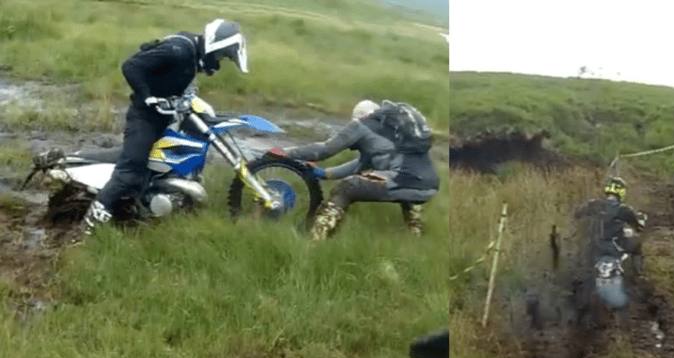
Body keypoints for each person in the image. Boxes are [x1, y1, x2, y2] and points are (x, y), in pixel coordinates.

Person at [78, 19, 248, 235]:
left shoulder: (193, 54)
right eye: (221, 56)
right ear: (214, 47)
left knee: (165, 162)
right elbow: (131, 66)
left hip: (165, 116)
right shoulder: (179, 50)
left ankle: (143, 206)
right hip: (145, 117)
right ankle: (88, 226)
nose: (219, 62)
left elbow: (173, 80)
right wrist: (148, 98)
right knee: (130, 171)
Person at [279, 100, 440, 240]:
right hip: (428, 186)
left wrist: (286, 152)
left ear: (359, 117)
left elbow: (323, 151)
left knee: (346, 188)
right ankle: (415, 236)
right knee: (406, 186)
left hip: (402, 181)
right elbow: (361, 165)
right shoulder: (395, 129)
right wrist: (325, 173)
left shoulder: (361, 125)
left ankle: (315, 240)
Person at [576, 176, 647, 272]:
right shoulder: (624, 209)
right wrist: (641, 221)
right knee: (637, 244)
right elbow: (639, 228)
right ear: (621, 191)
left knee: (581, 264)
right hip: (616, 246)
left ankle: (578, 275)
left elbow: (577, 215)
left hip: (595, 245)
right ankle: (638, 273)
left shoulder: (593, 204)